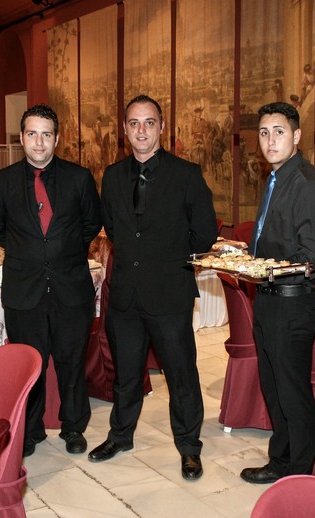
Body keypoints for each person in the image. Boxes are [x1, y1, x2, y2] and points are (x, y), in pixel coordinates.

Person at [88, 95, 218, 481]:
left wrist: (169, 259)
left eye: (149, 122)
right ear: (125, 129)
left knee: (181, 375)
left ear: (162, 127)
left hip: (170, 293)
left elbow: (205, 234)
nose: (141, 130)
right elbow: (114, 229)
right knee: (126, 373)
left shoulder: (186, 174)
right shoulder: (113, 176)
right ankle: (120, 435)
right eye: (134, 123)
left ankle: (189, 446)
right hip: (126, 293)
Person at [0, 104, 101, 457]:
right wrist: (29, 250)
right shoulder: (3, 180)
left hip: (71, 287)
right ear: (21, 138)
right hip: (24, 289)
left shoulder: (79, 178)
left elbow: (91, 224)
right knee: (28, 365)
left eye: (46, 134)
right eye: (32, 134)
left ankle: (73, 427)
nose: (39, 142)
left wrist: (61, 251)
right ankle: (30, 429)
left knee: (72, 362)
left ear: (57, 138)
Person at [240, 102, 315, 484]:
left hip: (294, 306)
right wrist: (244, 258)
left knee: (294, 396)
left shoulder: (309, 185)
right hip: (268, 301)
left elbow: (312, 259)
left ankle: (301, 479)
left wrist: (263, 269)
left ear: (296, 136)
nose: (270, 141)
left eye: (278, 132)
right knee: (274, 390)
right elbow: (274, 242)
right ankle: (280, 462)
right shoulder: (276, 179)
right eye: (264, 133)